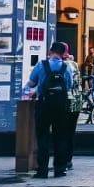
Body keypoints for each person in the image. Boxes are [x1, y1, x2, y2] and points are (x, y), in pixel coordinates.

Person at [24, 41, 76, 178]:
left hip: (44, 104)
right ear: (62, 53)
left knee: (42, 136)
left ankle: (42, 170)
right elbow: (69, 85)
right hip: (61, 106)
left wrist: (27, 90)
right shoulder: (66, 67)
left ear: (50, 51)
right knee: (61, 136)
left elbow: (32, 83)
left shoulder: (41, 65)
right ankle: (60, 169)